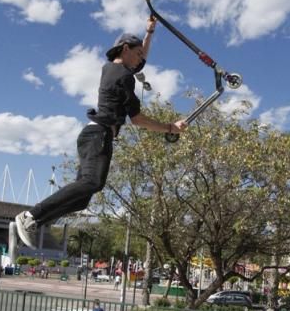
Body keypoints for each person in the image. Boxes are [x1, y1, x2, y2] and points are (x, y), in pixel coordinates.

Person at [14, 18, 187, 249]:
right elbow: (137, 119)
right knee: (93, 182)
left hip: (92, 136)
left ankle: (37, 222)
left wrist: (149, 32)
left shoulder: (112, 68)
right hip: (99, 136)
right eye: (137, 55)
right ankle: (31, 217)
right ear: (125, 49)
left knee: (82, 199)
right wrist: (170, 127)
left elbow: (142, 54)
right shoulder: (123, 76)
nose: (140, 60)